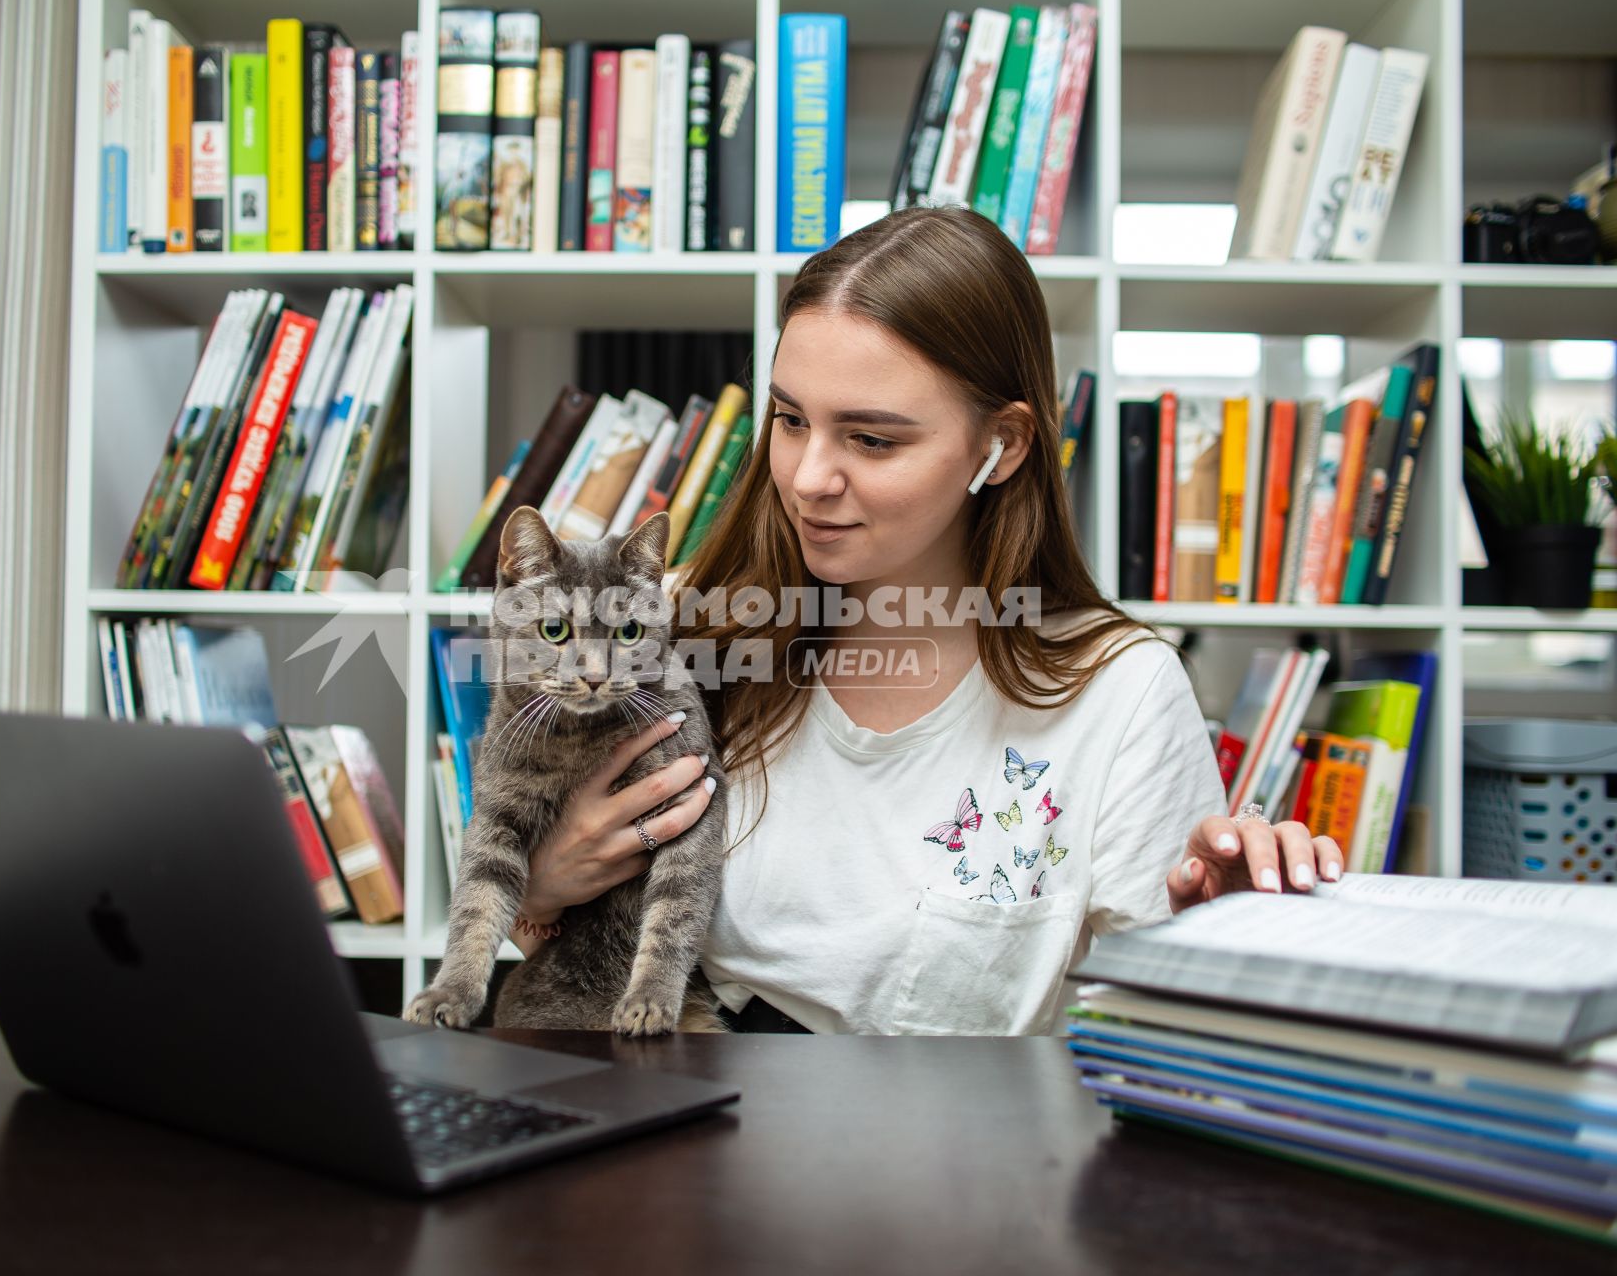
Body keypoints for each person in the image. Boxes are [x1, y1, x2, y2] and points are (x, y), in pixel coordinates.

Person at [505, 206, 1338, 1034]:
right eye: (791, 421)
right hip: (678, 1135)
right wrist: (542, 889)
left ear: (1002, 447)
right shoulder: (674, 624)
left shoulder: (1119, 692)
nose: (807, 479)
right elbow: (555, 942)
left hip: (962, 1156)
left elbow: (1174, 1039)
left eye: (871, 440)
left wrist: (1229, 939)